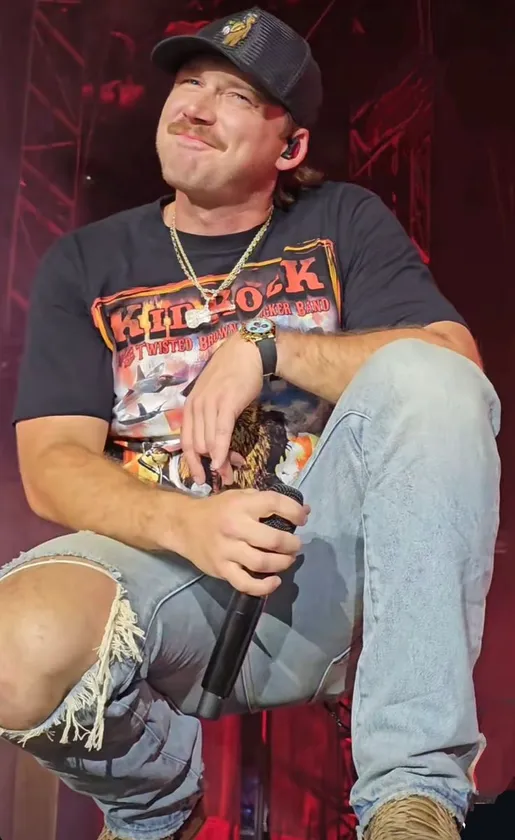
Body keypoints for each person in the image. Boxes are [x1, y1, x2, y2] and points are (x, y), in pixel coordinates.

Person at [0, 7, 500, 840]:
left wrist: (267, 348)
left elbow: (454, 362)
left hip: (328, 572)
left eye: (234, 96)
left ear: (289, 146)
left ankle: (411, 795)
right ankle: (158, 807)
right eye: (188, 84)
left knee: (430, 376)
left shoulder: (341, 223)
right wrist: (187, 525)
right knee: (12, 645)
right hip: (169, 577)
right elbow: (51, 464)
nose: (194, 107)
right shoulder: (87, 262)